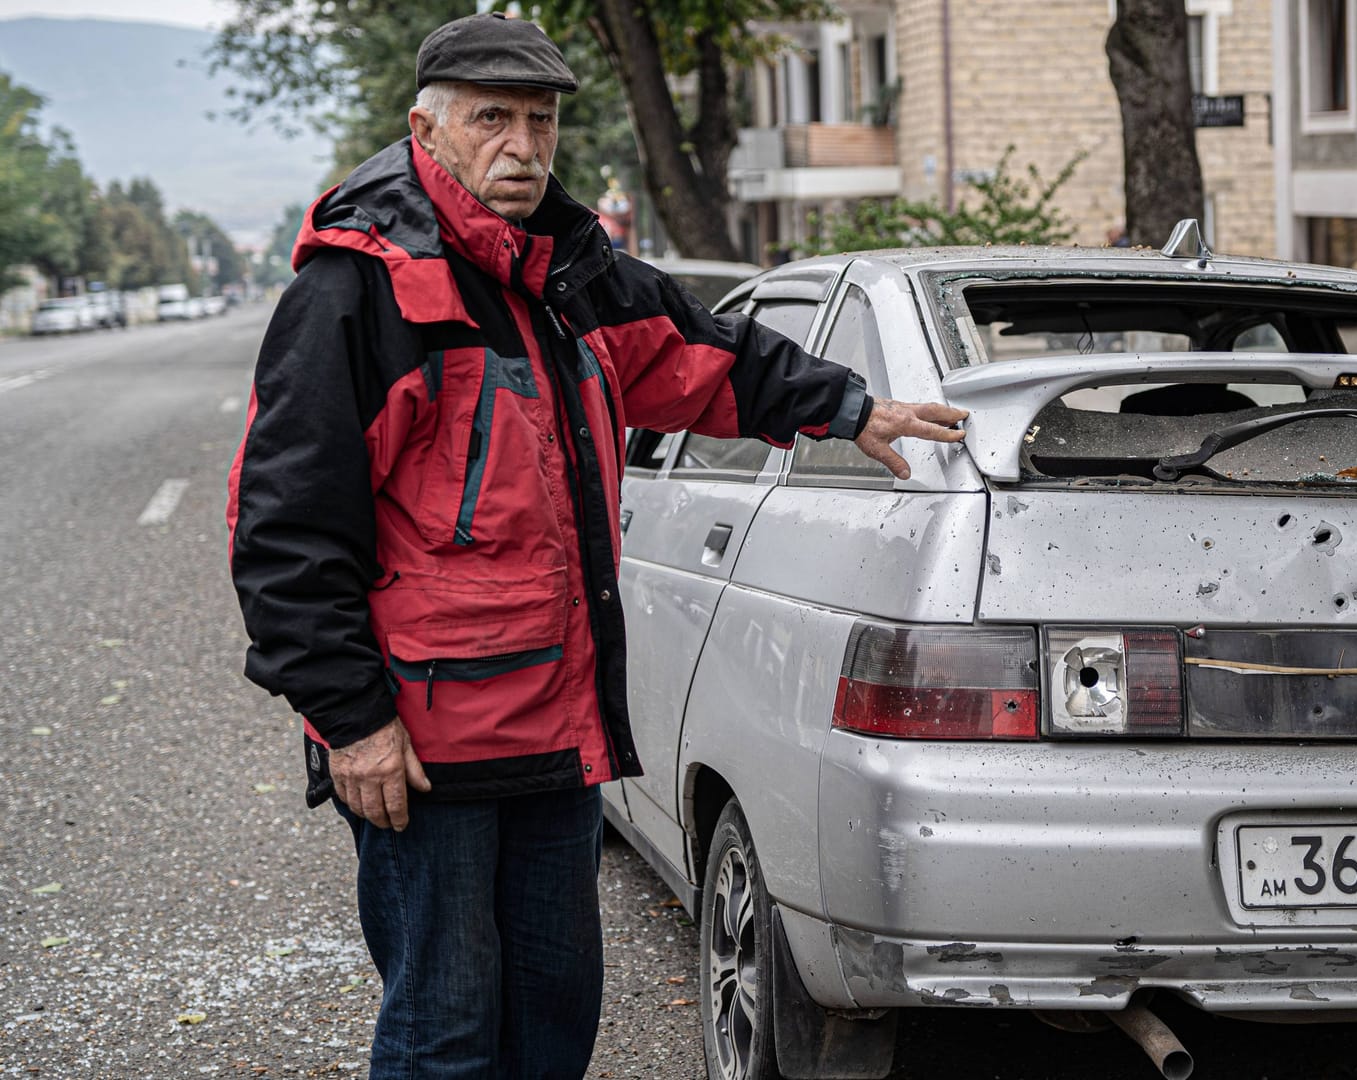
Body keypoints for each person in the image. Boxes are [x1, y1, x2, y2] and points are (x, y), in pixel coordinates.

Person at [224, 13, 966, 1077]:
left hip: (554, 735)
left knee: (555, 1019)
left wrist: (851, 408)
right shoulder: (359, 290)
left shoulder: (567, 273)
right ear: (425, 129)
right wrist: (352, 722)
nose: (522, 146)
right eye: (492, 120)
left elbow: (705, 356)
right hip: (425, 749)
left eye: (541, 120)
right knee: (446, 1030)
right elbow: (284, 529)